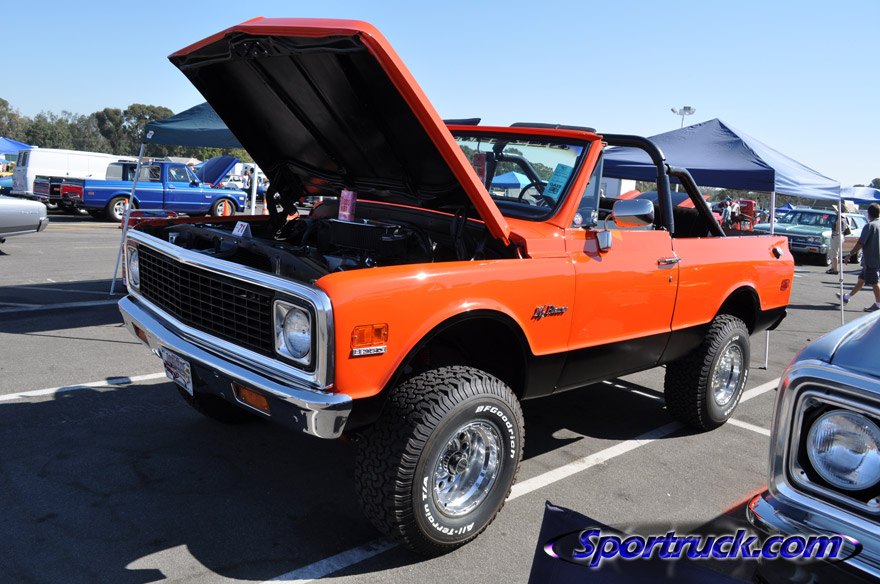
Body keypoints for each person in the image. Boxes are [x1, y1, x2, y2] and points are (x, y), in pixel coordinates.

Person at [837, 203, 880, 312]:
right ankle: (847, 297)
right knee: (861, 280)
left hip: (872, 259)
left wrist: (850, 254)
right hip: (873, 259)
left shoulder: (870, 226)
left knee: (874, 282)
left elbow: (861, 243)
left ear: (869, 214)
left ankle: (878, 304)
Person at [826, 204, 850, 275]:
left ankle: (835, 269)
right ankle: (833, 267)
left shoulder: (839, 217)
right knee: (833, 252)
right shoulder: (844, 217)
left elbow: (838, 226)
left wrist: (836, 232)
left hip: (837, 236)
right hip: (841, 236)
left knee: (834, 253)